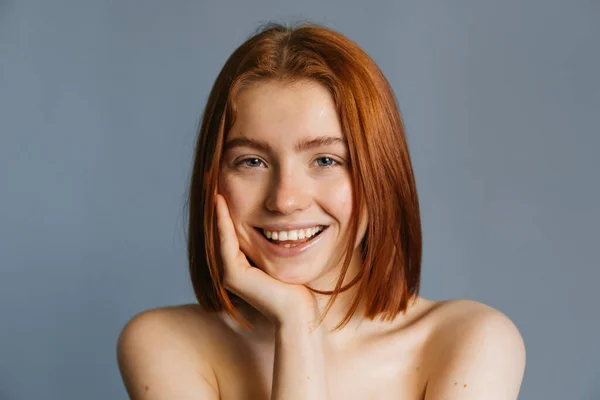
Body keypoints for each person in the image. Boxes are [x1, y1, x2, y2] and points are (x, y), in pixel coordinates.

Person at [116, 22, 526, 399]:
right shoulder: (164, 342)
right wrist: (298, 323)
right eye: (252, 162)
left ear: (380, 175)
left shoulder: (472, 340)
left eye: (326, 160)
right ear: (214, 179)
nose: (285, 199)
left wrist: (300, 324)